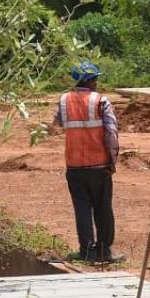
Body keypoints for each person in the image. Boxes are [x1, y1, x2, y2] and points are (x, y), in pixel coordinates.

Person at [55, 61, 125, 264]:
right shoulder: (100, 101)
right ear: (88, 80)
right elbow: (111, 132)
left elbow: (59, 122)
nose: (97, 82)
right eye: (95, 79)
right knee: (103, 207)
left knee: (82, 209)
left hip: (74, 165)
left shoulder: (63, 100)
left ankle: (86, 251)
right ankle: (104, 251)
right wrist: (113, 160)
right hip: (99, 165)